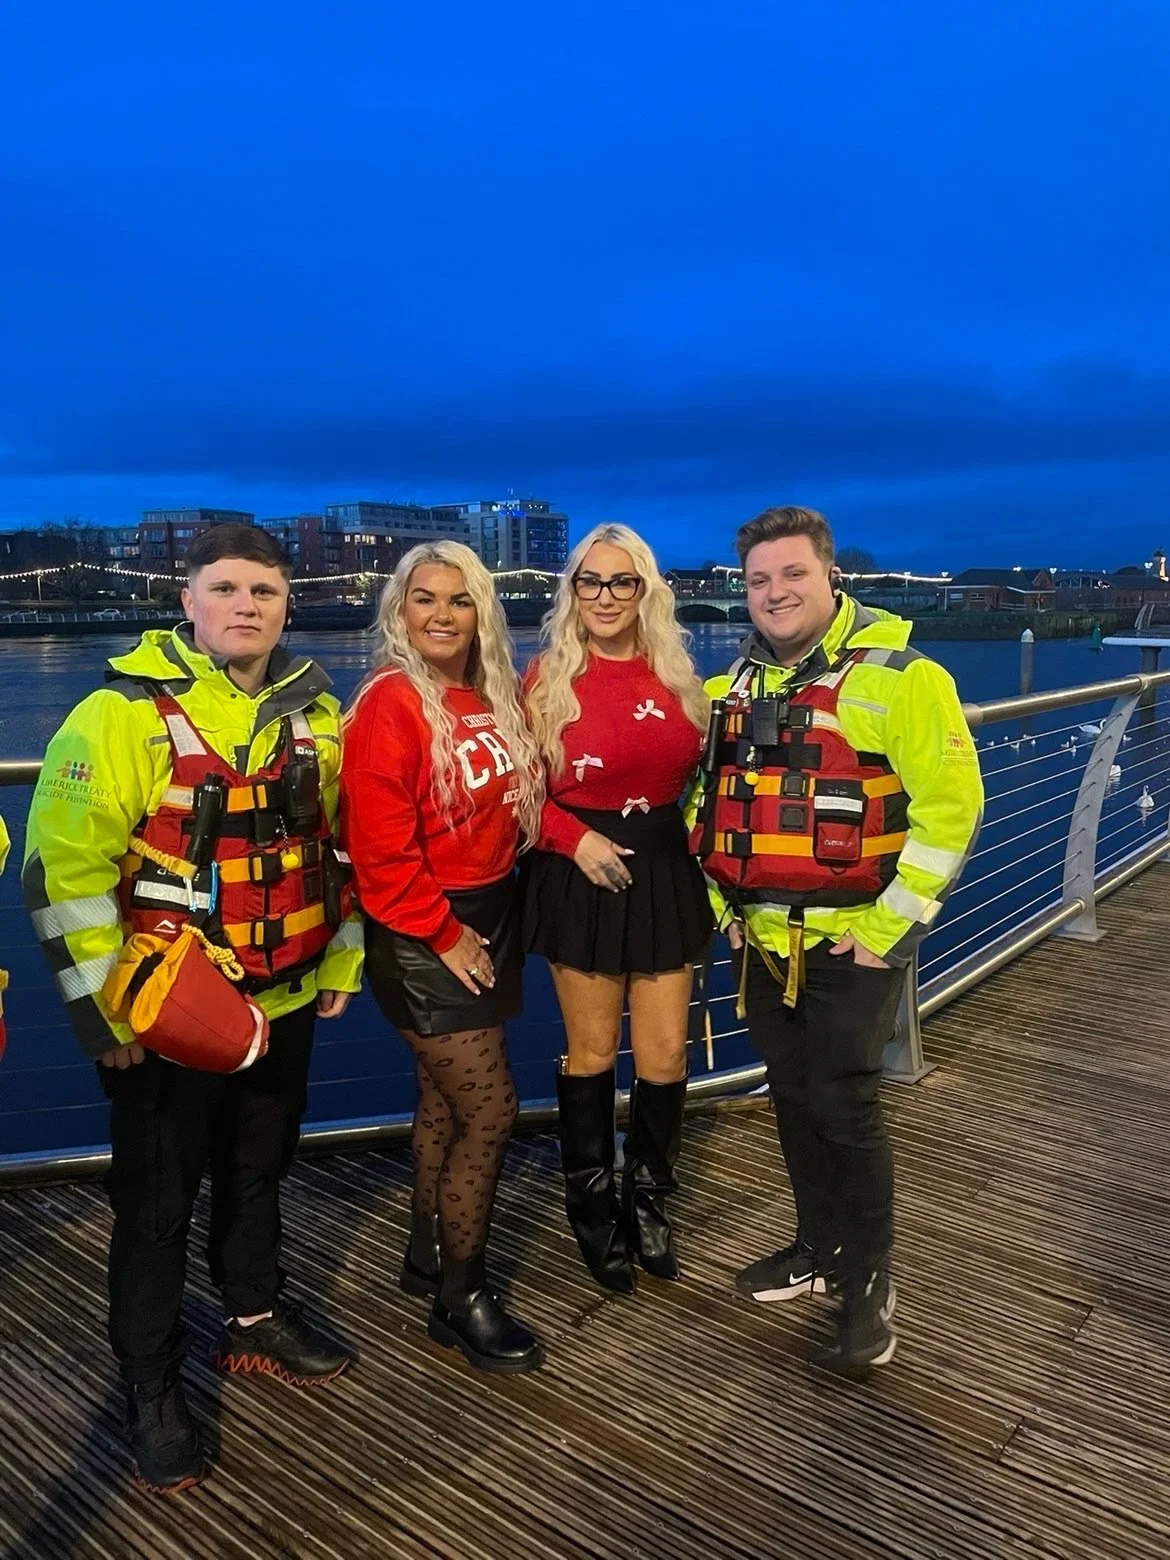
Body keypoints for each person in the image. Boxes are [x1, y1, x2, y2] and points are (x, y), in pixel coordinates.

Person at [22, 525, 363, 1492]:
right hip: (166, 1013)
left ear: (287, 604)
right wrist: (108, 1020)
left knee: (261, 1169)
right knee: (156, 1204)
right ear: (187, 600)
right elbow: (61, 873)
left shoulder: (318, 714)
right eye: (225, 588)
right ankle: (150, 1381)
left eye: (264, 590)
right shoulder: (117, 717)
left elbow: (334, 853)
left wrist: (340, 960)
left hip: (284, 995)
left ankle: (253, 1317)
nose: (246, 606)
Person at [690, 506, 982, 1372]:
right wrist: (727, 915)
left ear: (830, 576)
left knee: (847, 1109)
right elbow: (705, 809)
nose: (774, 592)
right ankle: (818, 1251)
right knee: (791, 1098)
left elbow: (951, 811)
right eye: (758, 580)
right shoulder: (730, 690)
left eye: (792, 575)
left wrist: (885, 931)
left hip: (853, 942)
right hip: (761, 940)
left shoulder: (903, 677)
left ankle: (870, 1280)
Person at [341, 541, 546, 1373]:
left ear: (480, 613)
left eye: (458, 601)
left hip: (491, 915)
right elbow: (380, 852)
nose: (440, 614)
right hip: (427, 928)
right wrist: (443, 932)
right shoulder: (391, 701)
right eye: (423, 598)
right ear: (400, 610)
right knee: (491, 1113)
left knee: (443, 1104)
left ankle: (426, 1251)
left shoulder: (489, 693)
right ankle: (460, 1299)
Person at [523, 524, 712, 1293]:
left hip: (666, 872)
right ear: (573, 592)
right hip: (580, 874)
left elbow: (705, 784)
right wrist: (574, 841)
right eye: (590, 582)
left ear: (646, 592)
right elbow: (520, 796)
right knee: (592, 1053)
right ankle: (592, 1205)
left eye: (621, 581)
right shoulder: (543, 680)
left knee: (666, 1057)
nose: (605, 596)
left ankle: (650, 1198)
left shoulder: (681, 676)